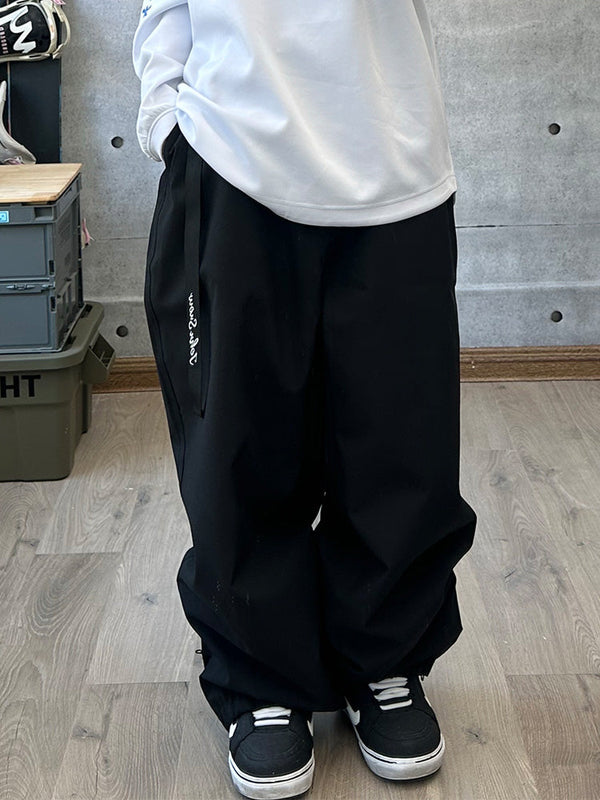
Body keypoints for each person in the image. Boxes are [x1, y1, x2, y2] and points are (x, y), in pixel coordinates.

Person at [132, 2, 477, 798]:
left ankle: (386, 656)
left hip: (392, 153)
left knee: (402, 443)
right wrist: (165, 119)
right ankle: (260, 675)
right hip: (230, 149)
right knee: (241, 443)